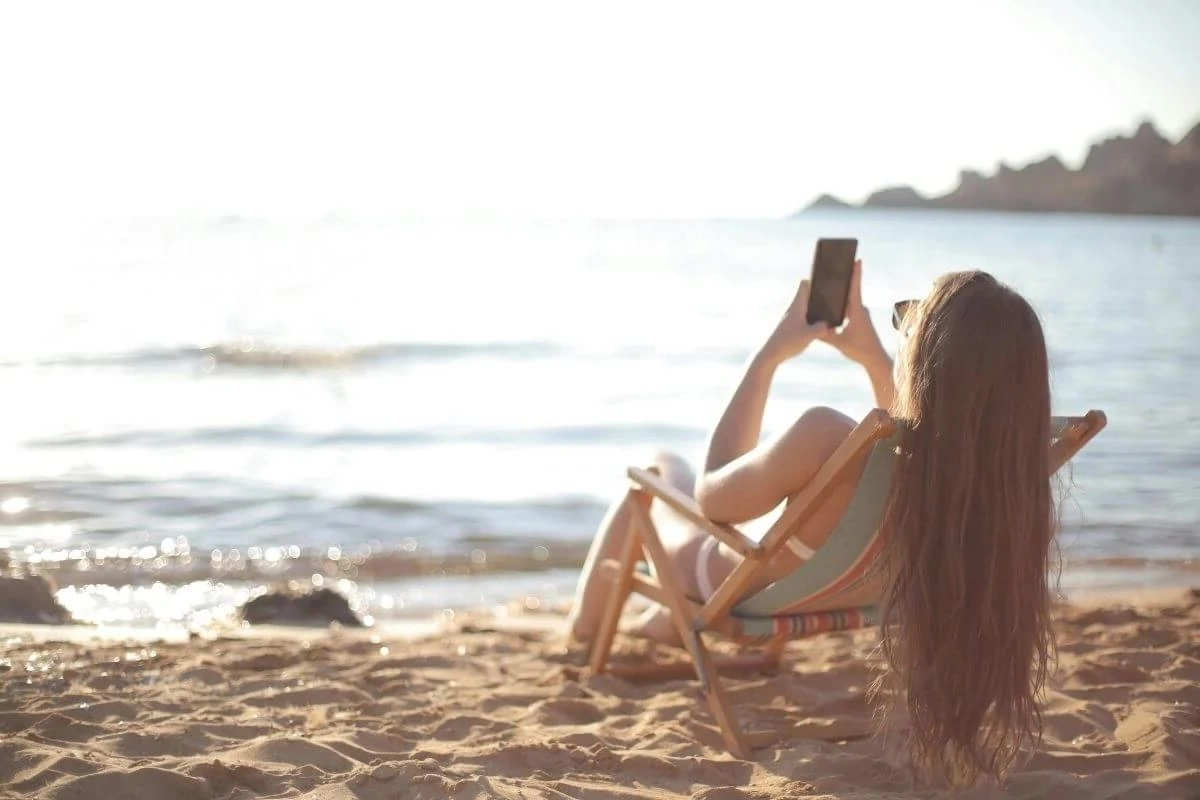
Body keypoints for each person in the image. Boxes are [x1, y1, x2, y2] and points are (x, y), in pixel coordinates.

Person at [567, 261, 1057, 786]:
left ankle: (582, 634)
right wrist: (872, 355)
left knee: (659, 472)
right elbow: (922, 430)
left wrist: (769, 355)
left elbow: (713, 500)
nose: (900, 334)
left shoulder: (824, 437)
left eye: (907, 322)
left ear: (925, 355)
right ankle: (650, 623)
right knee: (669, 555)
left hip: (725, 583)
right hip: (824, 591)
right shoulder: (992, 480)